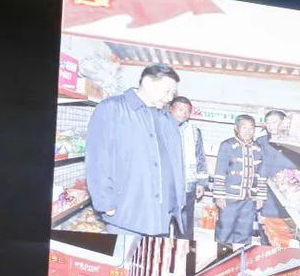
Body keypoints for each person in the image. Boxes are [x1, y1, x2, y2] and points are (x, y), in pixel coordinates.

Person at [85, 63, 185, 237]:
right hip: (127, 215)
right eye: (167, 91)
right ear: (147, 82)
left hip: (161, 215)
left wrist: (178, 200)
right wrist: (105, 201)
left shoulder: (168, 120)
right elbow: (97, 159)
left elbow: (176, 163)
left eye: (173, 93)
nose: (170, 98)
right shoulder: (112, 109)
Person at [213, 115, 266, 247]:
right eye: (244, 127)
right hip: (229, 198)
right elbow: (220, 172)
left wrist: (260, 197)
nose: (248, 131)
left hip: (249, 200)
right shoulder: (227, 145)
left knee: (245, 231)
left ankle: (240, 256)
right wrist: (219, 196)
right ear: (236, 128)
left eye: (251, 128)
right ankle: (222, 255)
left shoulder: (259, 148)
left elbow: (262, 175)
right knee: (225, 229)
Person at [168, 96, 207, 240]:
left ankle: (184, 250)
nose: (184, 113)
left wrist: (201, 183)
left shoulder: (194, 131)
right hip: (164, 187)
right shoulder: (159, 127)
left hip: (187, 186)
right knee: (160, 227)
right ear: (170, 109)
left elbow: (200, 157)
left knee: (184, 227)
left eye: (187, 111)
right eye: (180, 109)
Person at [256, 110, 297, 242]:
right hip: (266, 197)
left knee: (285, 237)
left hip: (289, 196)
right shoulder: (260, 142)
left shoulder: (294, 143)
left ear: (284, 123)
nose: (270, 126)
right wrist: (258, 196)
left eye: (274, 122)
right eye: (268, 122)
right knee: (267, 234)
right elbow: (257, 170)